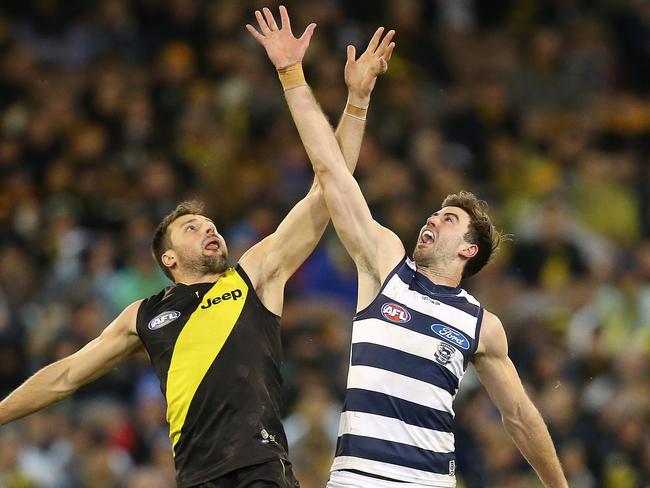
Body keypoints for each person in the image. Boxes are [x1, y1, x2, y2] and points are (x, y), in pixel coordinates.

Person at [0, 8, 395, 488]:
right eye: (191, 228)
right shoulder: (142, 315)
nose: (210, 230)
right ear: (167, 259)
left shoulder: (253, 278)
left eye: (211, 225)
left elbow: (326, 191)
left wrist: (355, 99)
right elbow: (65, 377)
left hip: (261, 472)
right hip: (194, 479)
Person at [250, 7, 569, 488]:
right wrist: (316, 83)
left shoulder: (483, 327)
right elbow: (331, 173)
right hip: (359, 479)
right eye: (436, 212)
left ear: (468, 250)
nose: (433, 218)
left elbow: (521, 417)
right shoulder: (385, 268)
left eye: (449, 219)